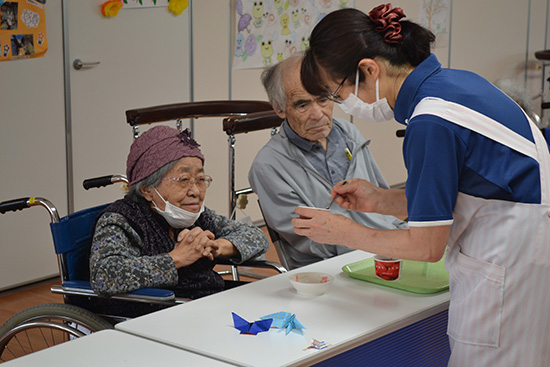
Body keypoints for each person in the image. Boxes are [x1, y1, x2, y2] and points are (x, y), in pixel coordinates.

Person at [293, 5, 550, 366]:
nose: (346, 105)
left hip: (506, 262)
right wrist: (380, 200)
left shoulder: (432, 120)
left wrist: (344, 232)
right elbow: (466, 192)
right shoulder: (457, 84)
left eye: (337, 94)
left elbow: (427, 246)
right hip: (524, 248)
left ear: (368, 69)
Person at [248, 54, 407, 269]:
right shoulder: (268, 166)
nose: (318, 114)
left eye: (323, 99)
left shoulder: (348, 133)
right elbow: (310, 242)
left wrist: (396, 238)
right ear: (279, 108)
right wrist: (374, 242)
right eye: (302, 105)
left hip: (385, 250)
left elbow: (380, 198)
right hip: (331, 267)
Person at [90, 126, 269, 302]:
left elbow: (256, 236)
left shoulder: (197, 217)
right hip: (155, 314)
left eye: (200, 180)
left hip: (205, 300)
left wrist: (216, 246)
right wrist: (176, 259)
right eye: (183, 180)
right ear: (147, 190)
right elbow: (104, 275)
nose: (196, 191)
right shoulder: (121, 221)